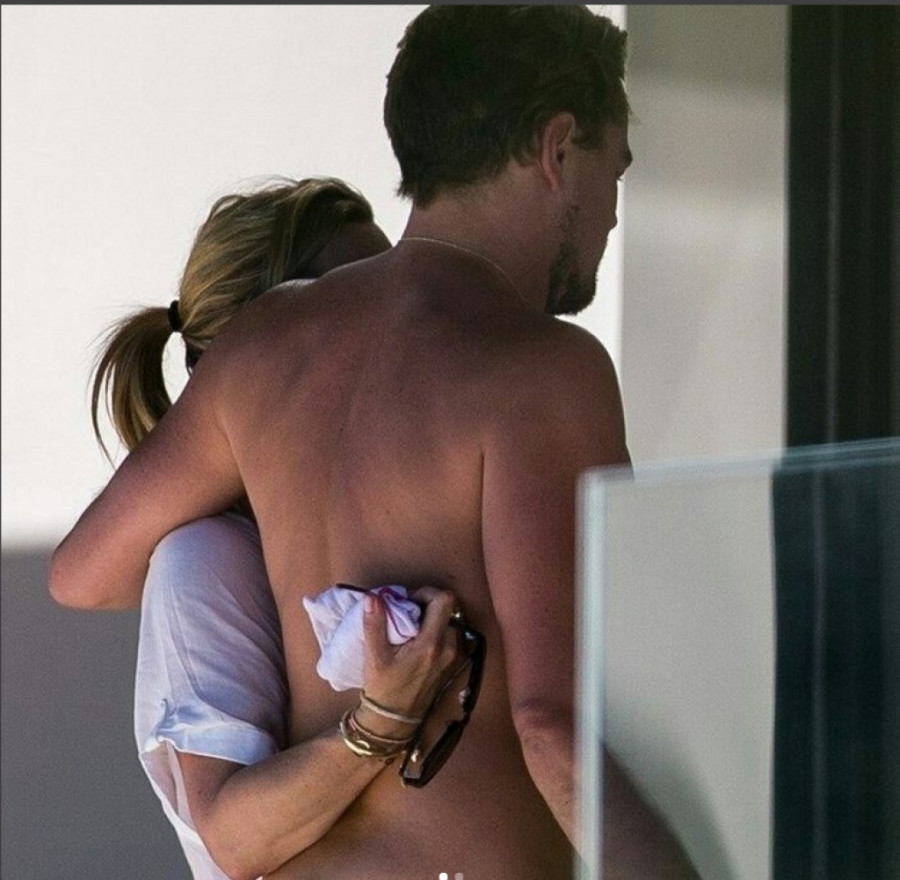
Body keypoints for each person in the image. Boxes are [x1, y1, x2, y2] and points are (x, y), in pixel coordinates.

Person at [51, 7, 699, 878]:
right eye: (613, 169)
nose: (612, 217)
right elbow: (556, 728)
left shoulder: (265, 345)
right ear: (557, 150)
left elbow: (82, 573)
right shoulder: (541, 369)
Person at [90, 176, 461, 879]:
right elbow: (239, 839)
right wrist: (380, 721)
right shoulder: (206, 556)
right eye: (357, 304)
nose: (398, 324)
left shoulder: (377, 509)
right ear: (269, 348)